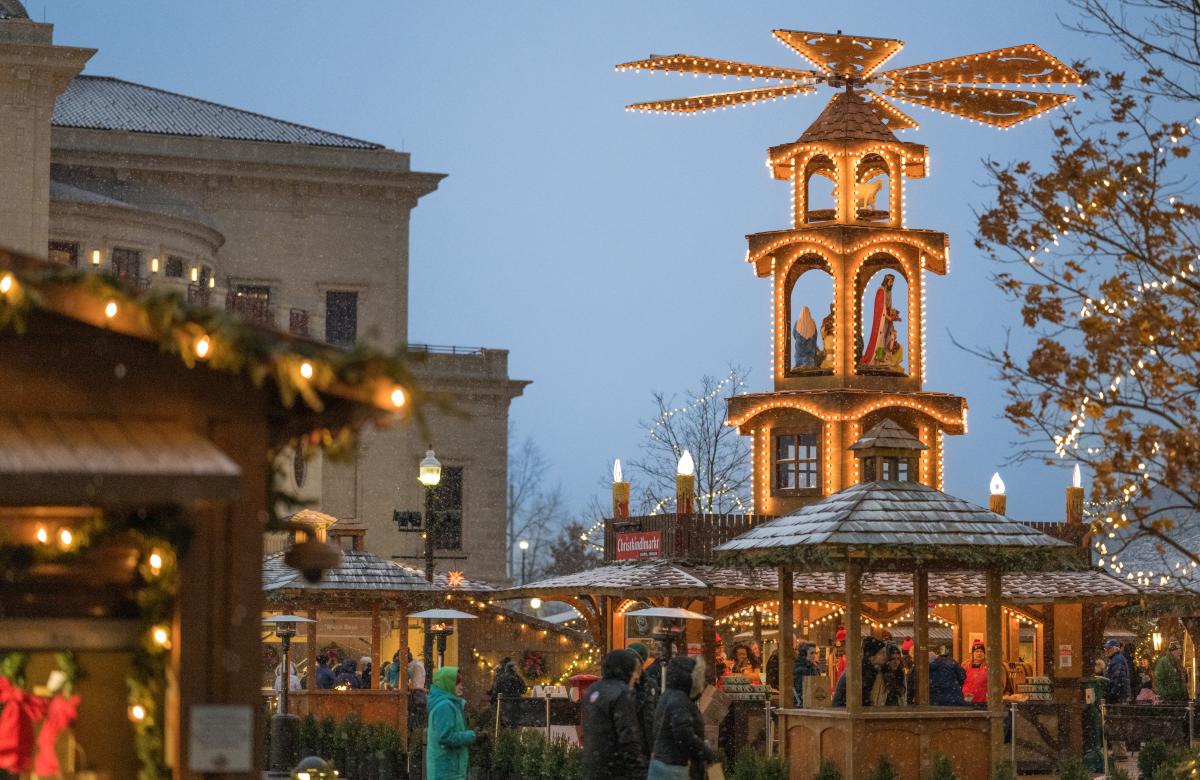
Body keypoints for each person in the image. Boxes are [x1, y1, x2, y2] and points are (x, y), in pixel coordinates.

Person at [649, 656, 718, 780]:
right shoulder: (680, 699)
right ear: (691, 677)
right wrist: (705, 752)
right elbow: (683, 733)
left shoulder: (669, 695)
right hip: (673, 766)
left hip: (665, 762)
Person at [582, 650, 646, 780]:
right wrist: (639, 772)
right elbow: (628, 736)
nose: (637, 677)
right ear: (626, 670)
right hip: (616, 769)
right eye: (634, 671)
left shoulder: (593, 690)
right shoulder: (622, 693)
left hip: (594, 767)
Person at [425, 666, 478, 780]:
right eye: (457, 683)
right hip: (447, 771)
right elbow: (445, 737)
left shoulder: (448, 704)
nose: (461, 686)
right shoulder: (445, 706)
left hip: (448, 769)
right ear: (447, 684)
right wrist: (471, 736)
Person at [832, 636, 888, 707]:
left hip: (843, 710)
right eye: (881, 653)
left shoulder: (865, 668)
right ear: (872, 656)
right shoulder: (863, 672)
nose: (885, 656)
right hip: (844, 712)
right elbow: (863, 699)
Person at [627, 642, 656, 763]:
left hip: (646, 748)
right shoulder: (621, 684)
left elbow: (653, 716)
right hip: (628, 749)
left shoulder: (650, 685)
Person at [1104, 639, 1132, 759]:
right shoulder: (1116, 660)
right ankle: (1118, 752)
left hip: (1117, 699)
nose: (1106, 651)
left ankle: (1120, 753)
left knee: (1116, 724)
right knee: (1116, 724)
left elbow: (1117, 680)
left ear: (1115, 649)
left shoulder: (1117, 660)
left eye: (1109, 649)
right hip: (1120, 697)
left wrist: (1111, 694)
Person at [793, 642, 820, 707]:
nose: (814, 656)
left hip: (813, 703)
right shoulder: (800, 669)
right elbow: (799, 691)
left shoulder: (814, 667)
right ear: (804, 654)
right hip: (803, 706)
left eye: (815, 653)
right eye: (811, 653)